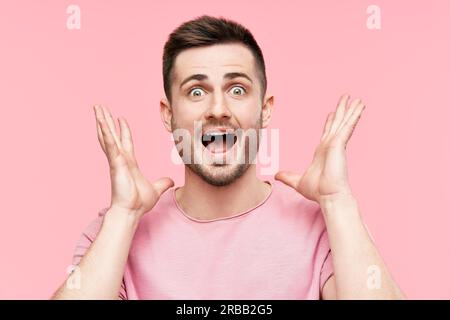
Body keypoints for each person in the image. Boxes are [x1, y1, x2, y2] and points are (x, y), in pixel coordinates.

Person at [51, 15, 404, 300]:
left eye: (237, 89)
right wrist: (123, 216)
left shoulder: (326, 226)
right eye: (196, 91)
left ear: (265, 110)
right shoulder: (113, 232)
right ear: (168, 114)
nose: (218, 109)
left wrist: (338, 202)